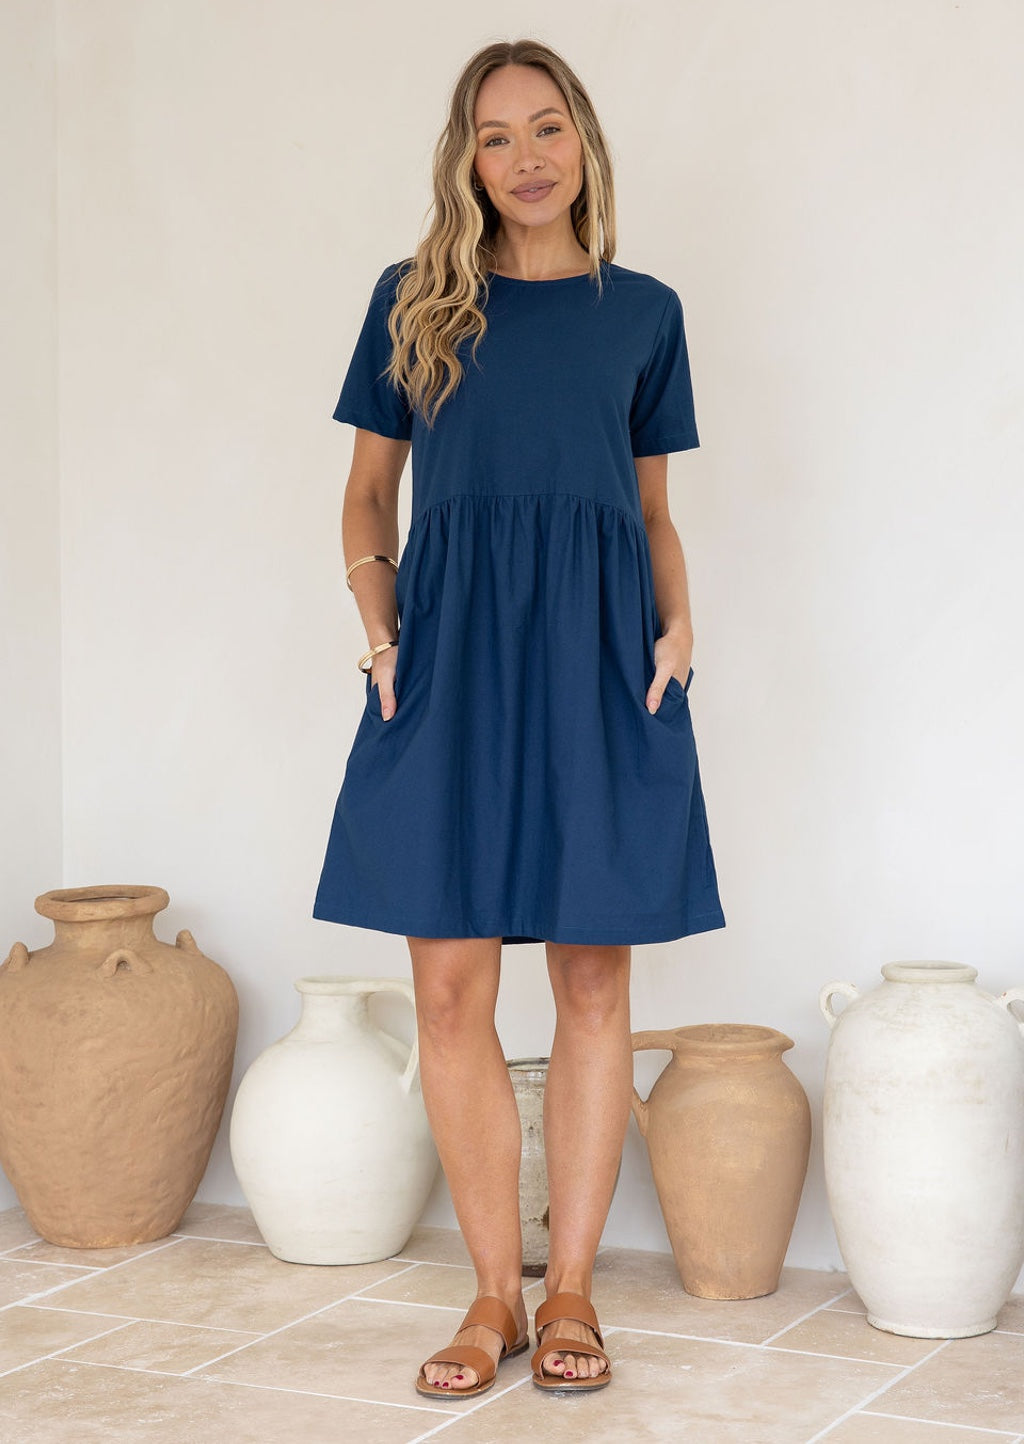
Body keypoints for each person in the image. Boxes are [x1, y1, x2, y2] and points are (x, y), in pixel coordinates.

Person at [314, 37, 725, 1396]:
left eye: (547, 128)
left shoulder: (643, 312)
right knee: (447, 984)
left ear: (585, 142)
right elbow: (367, 494)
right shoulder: (413, 302)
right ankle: (491, 1294)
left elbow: (652, 512)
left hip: (601, 657)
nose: (526, 157)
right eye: (496, 136)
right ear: (467, 161)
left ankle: (572, 1295)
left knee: (594, 979)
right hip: (451, 654)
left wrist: (679, 626)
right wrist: (380, 627)